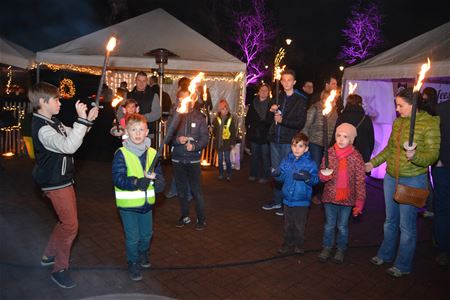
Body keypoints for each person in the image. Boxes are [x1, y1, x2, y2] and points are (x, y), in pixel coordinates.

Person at [29, 82, 99, 288]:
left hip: (61, 180)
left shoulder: (53, 122)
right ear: (43, 102)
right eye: (56, 99)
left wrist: (87, 121)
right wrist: (80, 121)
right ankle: (59, 269)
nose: (60, 102)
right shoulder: (43, 130)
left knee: (64, 222)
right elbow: (70, 147)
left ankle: (49, 255)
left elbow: (76, 135)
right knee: (70, 226)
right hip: (55, 184)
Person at [366, 88, 440, 277]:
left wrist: (415, 157)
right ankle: (385, 254)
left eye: (401, 105)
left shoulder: (430, 123)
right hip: (391, 177)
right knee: (390, 221)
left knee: (407, 226)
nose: (397, 109)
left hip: (412, 179)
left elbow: (432, 156)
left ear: (413, 104)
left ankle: (403, 264)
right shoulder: (398, 122)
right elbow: (389, 150)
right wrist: (372, 163)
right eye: (396, 105)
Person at [112, 113, 165, 281]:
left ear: (147, 131)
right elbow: (118, 178)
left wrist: (159, 184)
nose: (138, 133)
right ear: (127, 131)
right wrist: (136, 182)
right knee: (133, 237)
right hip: (128, 206)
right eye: (133, 129)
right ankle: (133, 262)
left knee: (147, 235)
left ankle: (143, 253)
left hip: (147, 205)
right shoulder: (121, 153)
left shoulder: (153, 153)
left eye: (141, 129)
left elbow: (159, 175)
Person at [317, 123, 366, 264]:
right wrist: (324, 176)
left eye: (345, 137)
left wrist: (359, 202)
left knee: (343, 226)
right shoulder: (330, 153)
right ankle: (327, 247)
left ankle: (341, 248)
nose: (341, 139)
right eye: (339, 135)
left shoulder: (356, 157)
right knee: (329, 225)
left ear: (351, 139)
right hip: (330, 196)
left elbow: (360, 181)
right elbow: (322, 171)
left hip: (347, 199)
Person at [262, 69, 307, 216]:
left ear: (294, 82)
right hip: (275, 139)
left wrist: (284, 121)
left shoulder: (300, 99)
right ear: (280, 82)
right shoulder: (277, 97)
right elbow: (268, 121)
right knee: (276, 171)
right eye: (284, 80)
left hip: (289, 142)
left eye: (289, 80)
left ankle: (286, 203)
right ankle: (276, 201)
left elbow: (300, 122)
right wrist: (271, 112)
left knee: (288, 172)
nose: (286, 83)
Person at [168, 88, 209, 230]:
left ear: (193, 99)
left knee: (196, 191)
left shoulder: (199, 117)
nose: (184, 100)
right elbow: (168, 138)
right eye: (181, 98)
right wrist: (178, 140)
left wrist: (195, 146)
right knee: (181, 190)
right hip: (178, 159)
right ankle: (184, 215)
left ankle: (201, 218)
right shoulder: (175, 116)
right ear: (178, 99)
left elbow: (205, 138)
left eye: (187, 97)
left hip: (193, 160)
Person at [272, 132, 318, 254]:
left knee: (299, 224)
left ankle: (299, 243)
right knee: (288, 224)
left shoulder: (310, 164)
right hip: (287, 199)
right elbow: (281, 179)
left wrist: (307, 177)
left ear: (306, 148)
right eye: (294, 145)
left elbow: (315, 180)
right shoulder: (286, 161)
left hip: (302, 201)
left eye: (300, 146)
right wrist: (277, 175)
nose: (296, 149)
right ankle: (287, 242)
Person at [302, 90, 338, 204]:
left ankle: (322, 193)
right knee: (316, 167)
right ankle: (313, 192)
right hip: (315, 142)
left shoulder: (335, 110)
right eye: (325, 98)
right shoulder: (315, 108)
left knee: (326, 168)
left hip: (329, 144)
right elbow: (306, 126)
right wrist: (304, 142)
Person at [431, 94, 450, 267]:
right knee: (443, 209)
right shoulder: (441, 110)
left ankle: (443, 247)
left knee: (443, 209)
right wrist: (437, 160)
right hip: (443, 167)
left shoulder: (441, 109)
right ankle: (443, 247)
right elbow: (434, 139)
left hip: (442, 166)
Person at [331, 93, 374, 163]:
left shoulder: (342, 117)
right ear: (360, 104)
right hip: (361, 154)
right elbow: (371, 140)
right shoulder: (366, 119)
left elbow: (335, 136)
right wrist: (368, 154)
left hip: (343, 154)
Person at [245, 83, 272, 183]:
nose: (263, 92)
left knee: (265, 156)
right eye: (262, 90)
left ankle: (265, 176)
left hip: (265, 134)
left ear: (268, 92)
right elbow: (248, 118)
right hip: (254, 134)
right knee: (254, 155)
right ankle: (253, 174)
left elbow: (272, 120)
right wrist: (249, 128)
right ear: (259, 91)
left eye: (266, 90)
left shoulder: (271, 104)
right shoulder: (253, 103)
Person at [128, 71, 161, 136]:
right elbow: (121, 112)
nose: (141, 83)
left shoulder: (153, 95)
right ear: (135, 81)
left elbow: (157, 113)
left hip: (148, 133)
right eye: (139, 80)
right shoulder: (128, 95)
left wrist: (140, 118)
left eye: (144, 81)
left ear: (147, 82)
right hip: (130, 132)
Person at [212, 99, 237, 181]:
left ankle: (229, 174)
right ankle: (221, 174)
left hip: (227, 143)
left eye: (226, 109)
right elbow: (214, 131)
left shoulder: (230, 119)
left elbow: (233, 132)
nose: (224, 111)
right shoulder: (216, 119)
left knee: (227, 159)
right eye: (222, 109)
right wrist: (212, 132)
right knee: (219, 160)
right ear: (220, 109)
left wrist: (232, 143)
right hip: (219, 143)